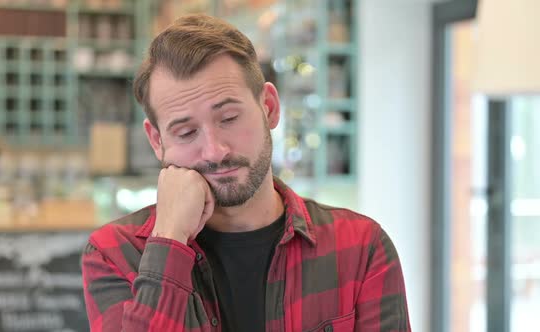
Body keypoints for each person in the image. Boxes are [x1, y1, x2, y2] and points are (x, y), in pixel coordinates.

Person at [81, 14, 411, 332]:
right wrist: (168, 238)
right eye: (185, 132)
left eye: (229, 118)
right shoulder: (114, 254)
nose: (215, 151)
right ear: (157, 140)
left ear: (268, 107)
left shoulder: (360, 247)